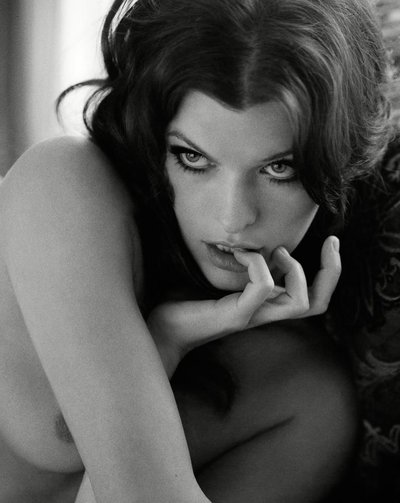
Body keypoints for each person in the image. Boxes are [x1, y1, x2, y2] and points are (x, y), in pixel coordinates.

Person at [0, 0, 397, 501]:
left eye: (279, 169)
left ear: (337, 163)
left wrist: (169, 338)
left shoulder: (303, 394)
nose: (233, 218)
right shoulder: (61, 190)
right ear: (152, 135)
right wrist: (164, 342)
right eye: (193, 157)